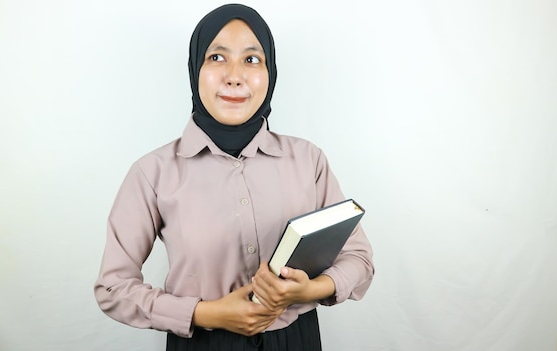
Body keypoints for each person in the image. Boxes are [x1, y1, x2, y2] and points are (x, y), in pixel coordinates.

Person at [94, 3, 374, 350]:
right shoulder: (153, 172)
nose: (235, 75)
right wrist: (205, 313)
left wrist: (312, 289)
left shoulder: (308, 160)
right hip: (203, 343)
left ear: (270, 71)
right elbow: (112, 287)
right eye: (217, 57)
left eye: (252, 59)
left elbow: (358, 258)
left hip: (297, 340)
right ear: (196, 68)